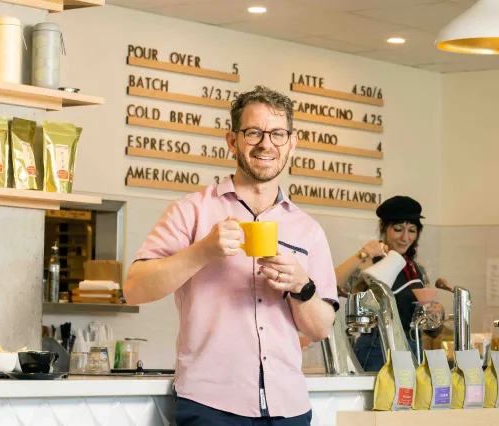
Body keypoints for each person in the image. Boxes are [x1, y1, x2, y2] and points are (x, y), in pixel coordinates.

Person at [124, 86, 338, 426]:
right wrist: (202, 251)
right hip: (211, 405)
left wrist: (302, 286)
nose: (266, 144)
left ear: (291, 144)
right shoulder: (191, 211)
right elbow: (134, 288)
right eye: (253, 132)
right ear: (232, 141)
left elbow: (321, 329)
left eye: (278, 134)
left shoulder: (308, 229)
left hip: (290, 407)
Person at [335, 195, 429, 371]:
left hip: (412, 348)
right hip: (376, 351)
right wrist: (361, 255)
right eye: (398, 229)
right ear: (383, 228)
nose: (405, 237)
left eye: (412, 230)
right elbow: (329, 284)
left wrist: (434, 312)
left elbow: (424, 318)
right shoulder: (370, 262)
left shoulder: (417, 270)